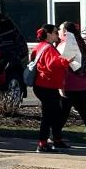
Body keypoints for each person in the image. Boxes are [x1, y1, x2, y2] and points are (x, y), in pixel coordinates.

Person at [32, 24, 70, 153]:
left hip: (45, 85)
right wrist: (66, 61)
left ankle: (56, 139)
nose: (56, 34)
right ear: (48, 34)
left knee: (55, 113)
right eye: (55, 32)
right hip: (46, 85)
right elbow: (52, 65)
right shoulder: (48, 48)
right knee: (48, 115)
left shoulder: (41, 46)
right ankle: (42, 144)